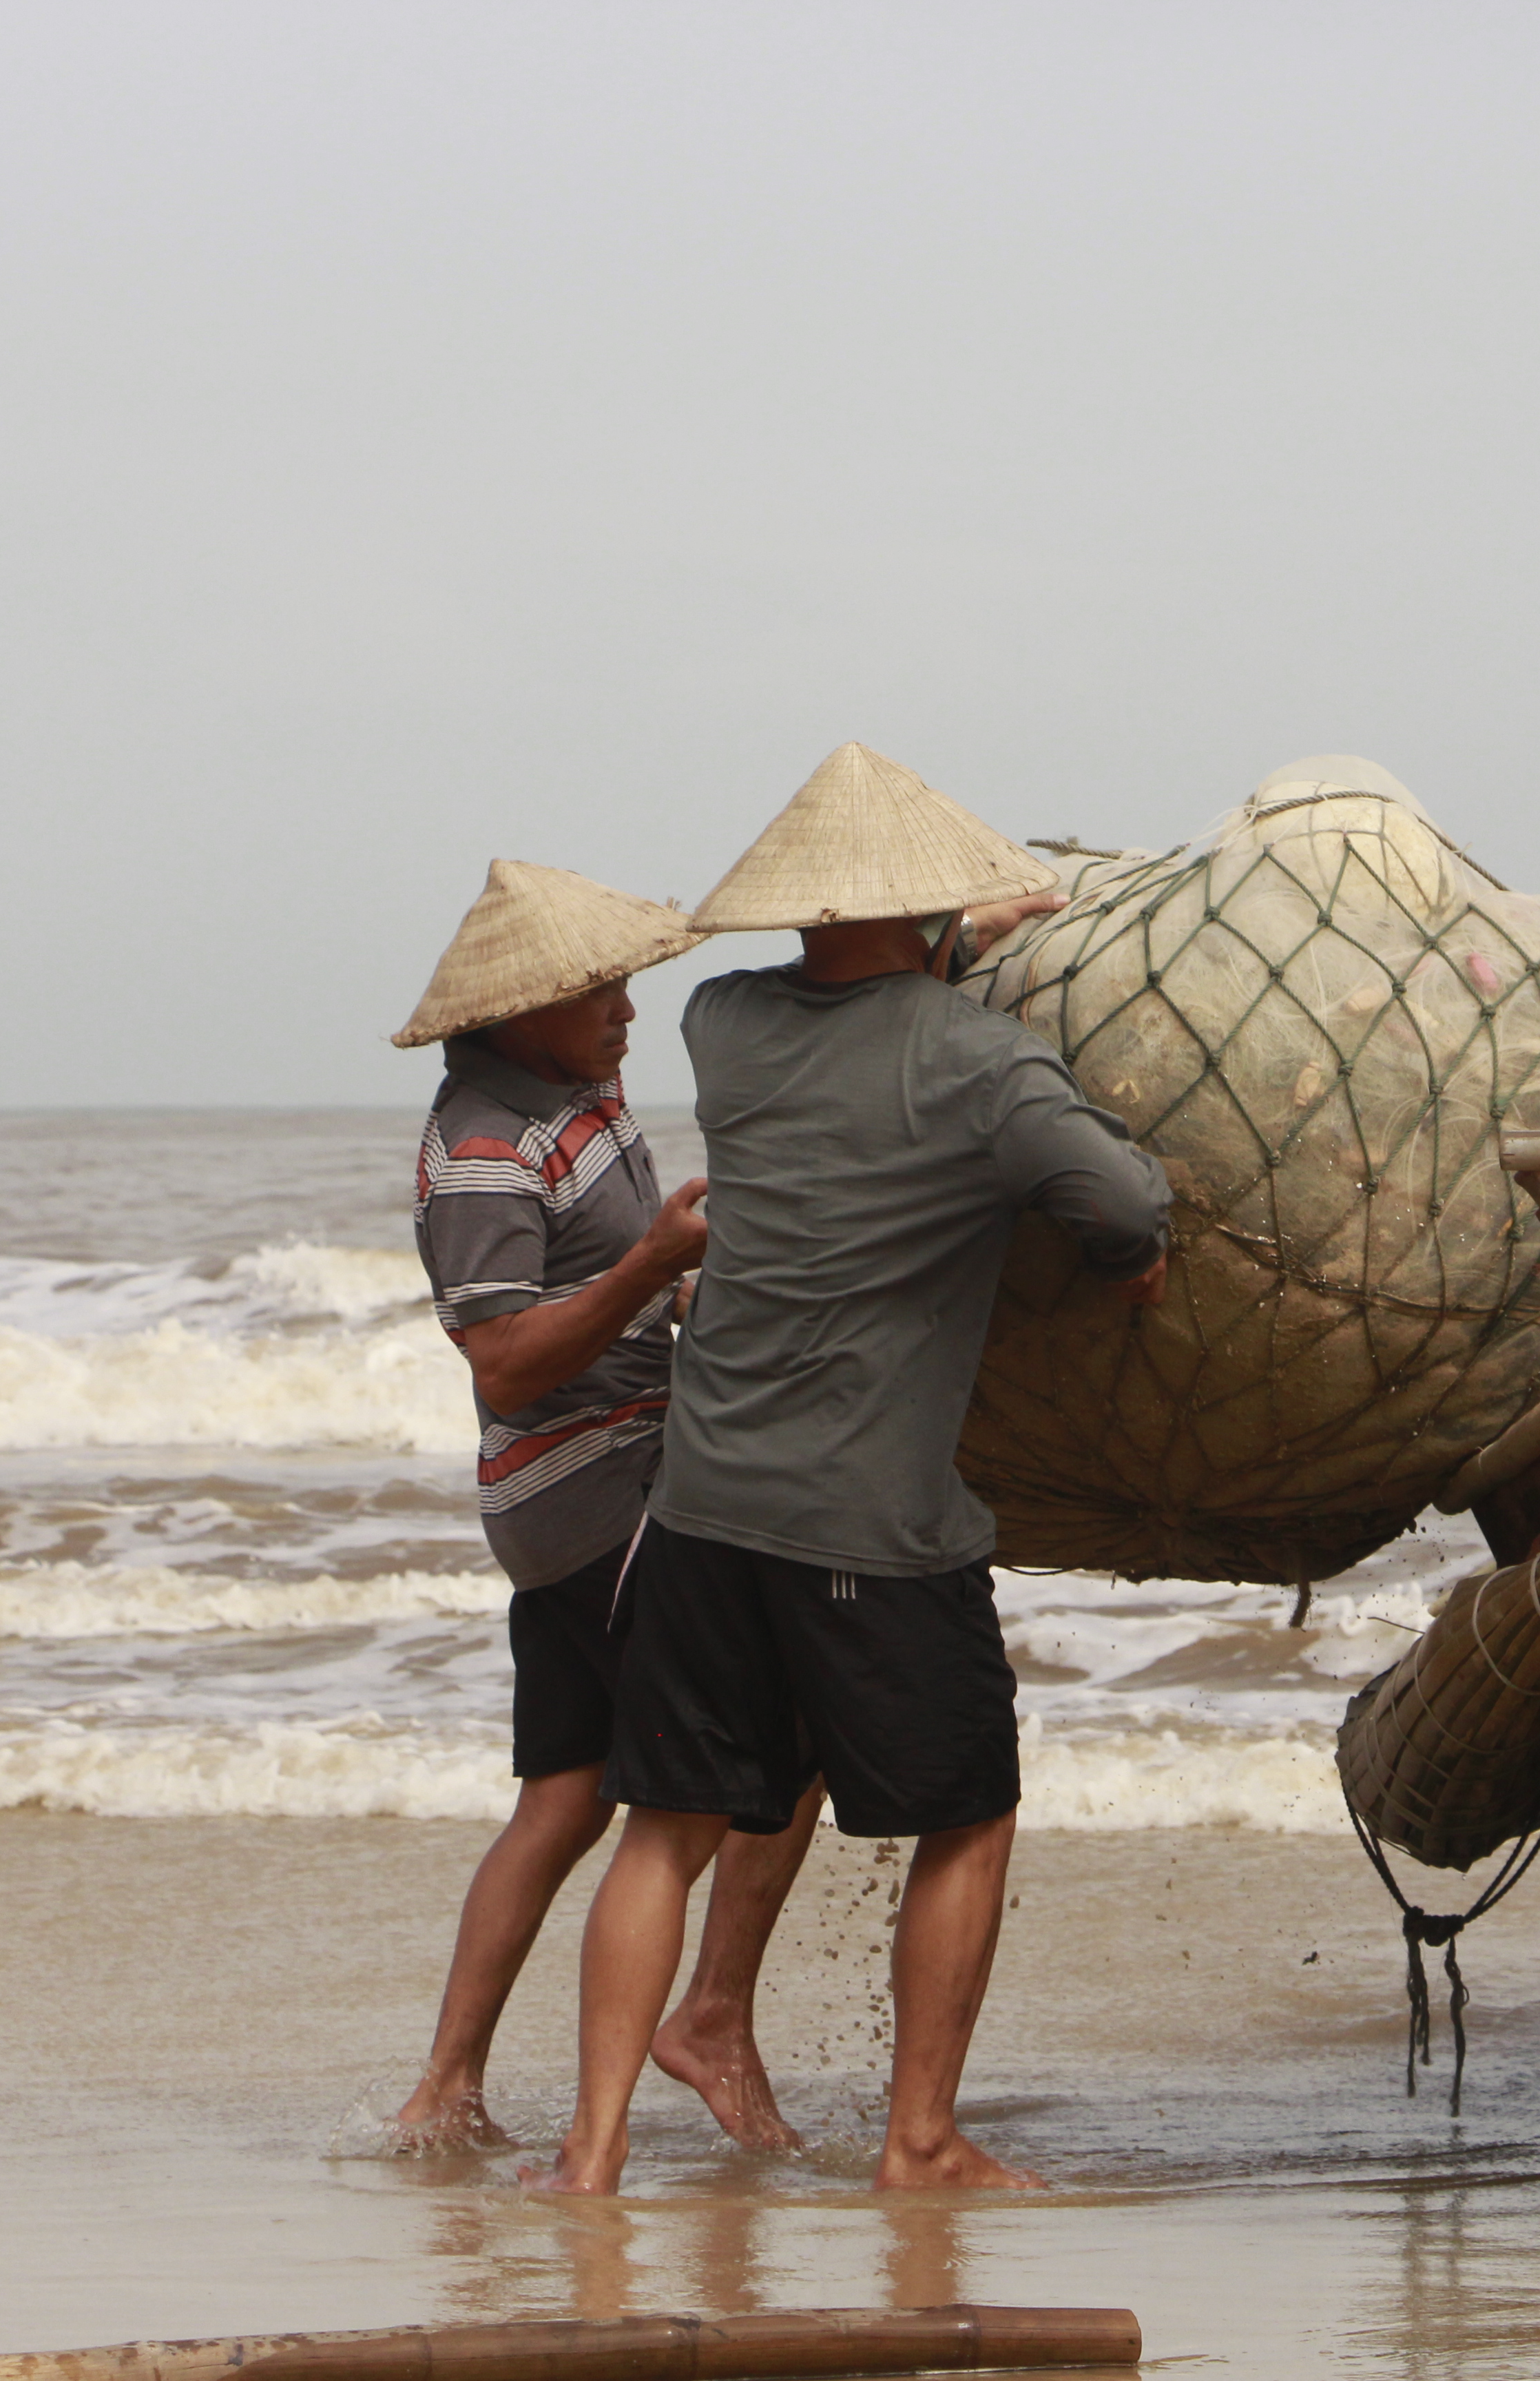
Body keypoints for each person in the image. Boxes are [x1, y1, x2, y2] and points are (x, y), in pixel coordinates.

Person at [533, 746, 1171, 2197]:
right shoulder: (983, 1064)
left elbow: (851, 1003)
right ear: (931, 912)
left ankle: (589, 2155)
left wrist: (952, 940)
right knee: (969, 1815)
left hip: (702, 1506)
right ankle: (921, 2141)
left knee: (665, 1829)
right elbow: (1122, 1198)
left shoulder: (725, 1024)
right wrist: (1129, 1261)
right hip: (871, 1523)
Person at [386, 859, 823, 2154]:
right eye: (599, 991)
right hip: (600, 1497)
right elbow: (507, 1360)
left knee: (566, 1799)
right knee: (778, 1744)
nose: (627, 1009)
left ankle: (446, 2087)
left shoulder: (575, 1096)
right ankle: (704, 2020)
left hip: (566, 1500)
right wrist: (651, 1266)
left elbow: (602, 1289)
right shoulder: (482, 1149)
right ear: (522, 1009)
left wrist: (673, 1288)